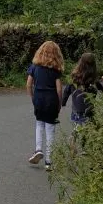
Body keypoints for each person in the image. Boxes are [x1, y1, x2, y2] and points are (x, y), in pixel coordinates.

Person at [26, 41, 64, 170]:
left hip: (38, 99)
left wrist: (32, 97)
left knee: (39, 124)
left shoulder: (34, 67)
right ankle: (49, 160)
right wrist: (59, 103)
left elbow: (28, 84)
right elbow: (59, 89)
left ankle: (38, 149)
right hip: (51, 101)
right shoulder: (56, 70)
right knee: (50, 129)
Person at [61, 52, 103, 129]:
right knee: (91, 129)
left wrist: (63, 103)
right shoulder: (94, 80)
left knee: (77, 128)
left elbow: (66, 91)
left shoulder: (74, 78)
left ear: (80, 63)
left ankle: (74, 137)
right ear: (94, 65)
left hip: (76, 111)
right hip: (89, 112)